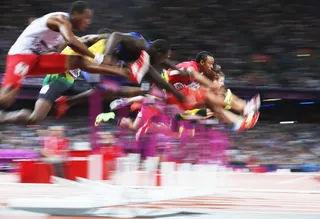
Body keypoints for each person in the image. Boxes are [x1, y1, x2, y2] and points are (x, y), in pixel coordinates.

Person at [0, 1, 131, 112]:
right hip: (21, 55)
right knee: (8, 97)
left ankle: (121, 72)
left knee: (78, 61)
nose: (88, 22)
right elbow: (71, 42)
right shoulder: (61, 20)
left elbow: (73, 42)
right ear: (75, 14)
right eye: (86, 17)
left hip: (37, 59)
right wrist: (99, 58)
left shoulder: (64, 29)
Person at [54, 31, 188, 118]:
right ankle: (63, 43)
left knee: (114, 90)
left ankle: (67, 101)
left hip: (102, 64)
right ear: (158, 52)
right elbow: (116, 35)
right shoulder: (140, 44)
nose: (162, 63)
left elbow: (160, 78)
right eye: (163, 58)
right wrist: (105, 56)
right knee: (121, 85)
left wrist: (178, 93)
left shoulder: (147, 57)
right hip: (95, 56)